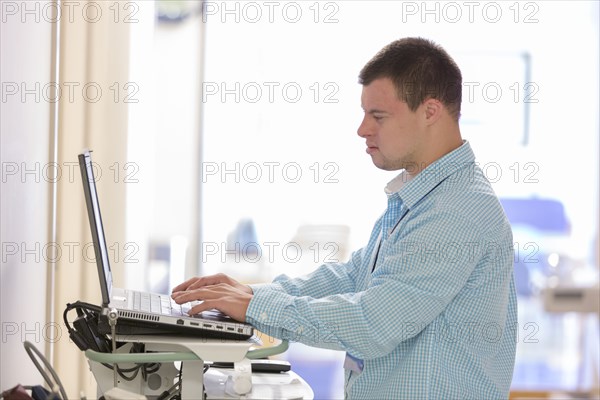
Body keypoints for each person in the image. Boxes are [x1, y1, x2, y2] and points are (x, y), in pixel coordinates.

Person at [172, 37, 518, 399]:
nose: (363, 129)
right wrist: (251, 295)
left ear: (430, 112)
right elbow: (355, 276)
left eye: (378, 116)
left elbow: (374, 322)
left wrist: (256, 306)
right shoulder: (423, 196)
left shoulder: (456, 209)